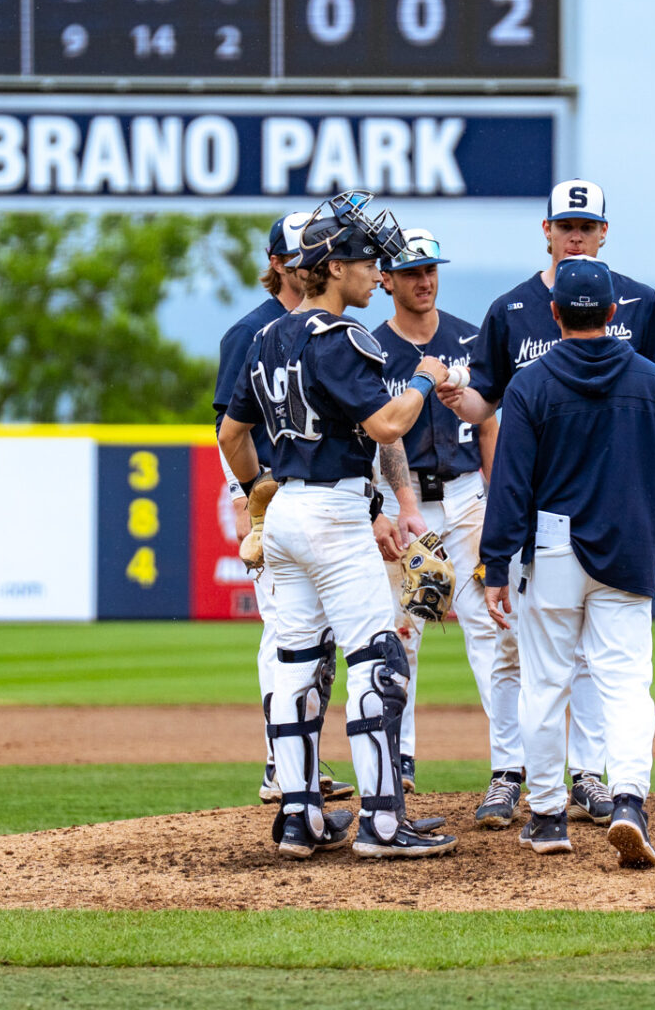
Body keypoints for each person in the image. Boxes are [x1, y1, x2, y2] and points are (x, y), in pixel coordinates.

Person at [219, 191, 457, 860]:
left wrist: (253, 489)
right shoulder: (343, 336)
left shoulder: (268, 336)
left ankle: (298, 817)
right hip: (334, 511)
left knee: (295, 662)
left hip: (287, 511)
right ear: (333, 266)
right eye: (365, 261)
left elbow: (233, 433)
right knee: (377, 661)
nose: (375, 272)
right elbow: (385, 425)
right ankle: (383, 821)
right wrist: (421, 376)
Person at [437, 178, 655, 827]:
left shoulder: (640, 303)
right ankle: (515, 775)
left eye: (585, 226)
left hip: (590, 511)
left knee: (580, 667)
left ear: (603, 233)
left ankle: (581, 783)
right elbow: (488, 399)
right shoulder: (511, 310)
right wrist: (463, 399)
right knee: (538, 659)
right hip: (550, 509)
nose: (574, 235)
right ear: (545, 229)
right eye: (565, 225)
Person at [481, 257, 655, 868]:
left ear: (554, 314)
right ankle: (628, 801)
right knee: (625, 684)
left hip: (551, 549)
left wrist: (496, 563)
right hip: (628, 549)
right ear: (612, 314)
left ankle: (548, 816)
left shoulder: (531, 384)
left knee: (545, 684)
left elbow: (511, 484)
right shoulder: (653, 382)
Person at [367, 228, 529, 827]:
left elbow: (489, 425)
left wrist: (497, 501)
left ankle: (509, 770)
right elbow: (379, 435)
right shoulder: (371, 346)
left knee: (492, 628)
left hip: (466, 496)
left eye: (431, 268)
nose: (425, 279)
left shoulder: (469, 337)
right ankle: (398, 760)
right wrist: (389, 506)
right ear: (386, 279)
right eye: (411, 271)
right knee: (399, 633)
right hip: (401, 498)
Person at [212, 211, 356, 807]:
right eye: (297, 253)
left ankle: (303, 760)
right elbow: (227, 428)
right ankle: (280, 762)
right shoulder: (253, 331)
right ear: (277, 264)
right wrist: (246, 501)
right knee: (285, 632)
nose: (307, 261)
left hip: (319, 495)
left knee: (315, 640)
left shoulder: (320, 327)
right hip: (274, 493)